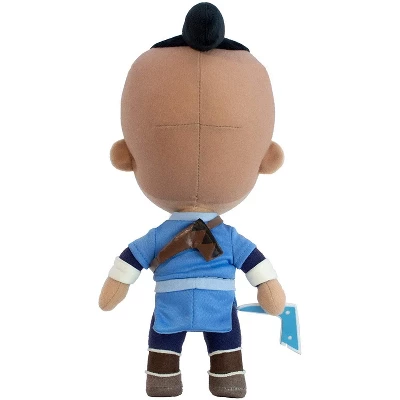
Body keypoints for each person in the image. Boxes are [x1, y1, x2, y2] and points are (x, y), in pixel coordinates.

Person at [99, 3, 286, 398]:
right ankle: (222, 377)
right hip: (220, 304)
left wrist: (116, 288)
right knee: (224, 338)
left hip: (172, 305)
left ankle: (167, 378)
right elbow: (257, 268)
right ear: (267, 158)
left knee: (167, 338)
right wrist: (269, 291)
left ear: (125, 156)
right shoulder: (227, 237)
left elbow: (130, 262)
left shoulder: (160, 236)